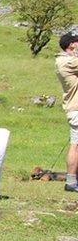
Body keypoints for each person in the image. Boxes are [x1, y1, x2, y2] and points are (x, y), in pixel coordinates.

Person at [54, 32, 78, 192]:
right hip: (76, 109)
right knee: (75, 146)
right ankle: (71, 182)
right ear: (71, 45)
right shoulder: (67, 61)